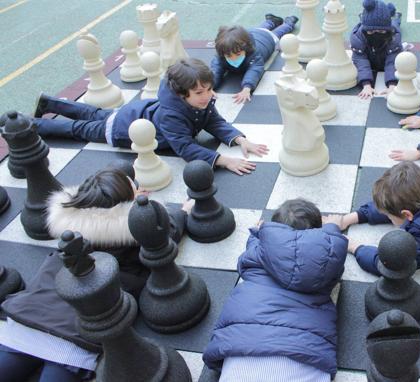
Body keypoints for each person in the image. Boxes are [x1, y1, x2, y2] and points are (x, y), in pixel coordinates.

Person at [0, 167, 191, 382]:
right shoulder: (133, 236)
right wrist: (180, 212)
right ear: (125, 204)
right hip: (74, 336)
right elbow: (165, 234)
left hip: (28, 315)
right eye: (135, 189)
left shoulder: (70, 234)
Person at [33, 58, 269, 176]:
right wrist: (225, 160)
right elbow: (185, 148)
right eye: (200, 92)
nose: (208, 96)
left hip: (132, 112)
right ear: (180, 93)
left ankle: (49, 103)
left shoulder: (201, 101)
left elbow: (214, 121)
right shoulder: (172, 116)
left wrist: (240, 140)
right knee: (80, 129)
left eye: (209, 89)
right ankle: (32, 125)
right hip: (123, 129)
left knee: (93, 113)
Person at [203, 198, 348, 382]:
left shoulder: (256, 253)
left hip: (240, 352)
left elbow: (253, 246)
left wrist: (260, 233)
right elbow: (334, 254)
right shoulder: (324, 266)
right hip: (306, 358)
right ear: (318, 234)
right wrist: (332, 228)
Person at [211, 14, 299, 104]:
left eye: (238, 54)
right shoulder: (222, 54)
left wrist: (247, 88)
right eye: (229, 56)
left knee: (277, 33)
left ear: (246, 49)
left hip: (267, 38)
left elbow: (255, 70)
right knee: (259, 29)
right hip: (253, 32)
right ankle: (271, 21)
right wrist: (210, 86)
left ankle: (288, 23)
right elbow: (215, 69)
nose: (234, 58)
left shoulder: (254, 54)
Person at [350, 0, 403, 99]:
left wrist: (392, 84)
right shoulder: (358, 38)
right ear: (365, 29)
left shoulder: (394, 37)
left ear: (387, 30)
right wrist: (366, 84)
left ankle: (396, 18)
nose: (376, 34)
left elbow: (392, 61)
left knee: (395, 23)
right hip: (373, 56)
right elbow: (360, 60)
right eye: (371, 31)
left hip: (390, 26)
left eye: (381, 31)